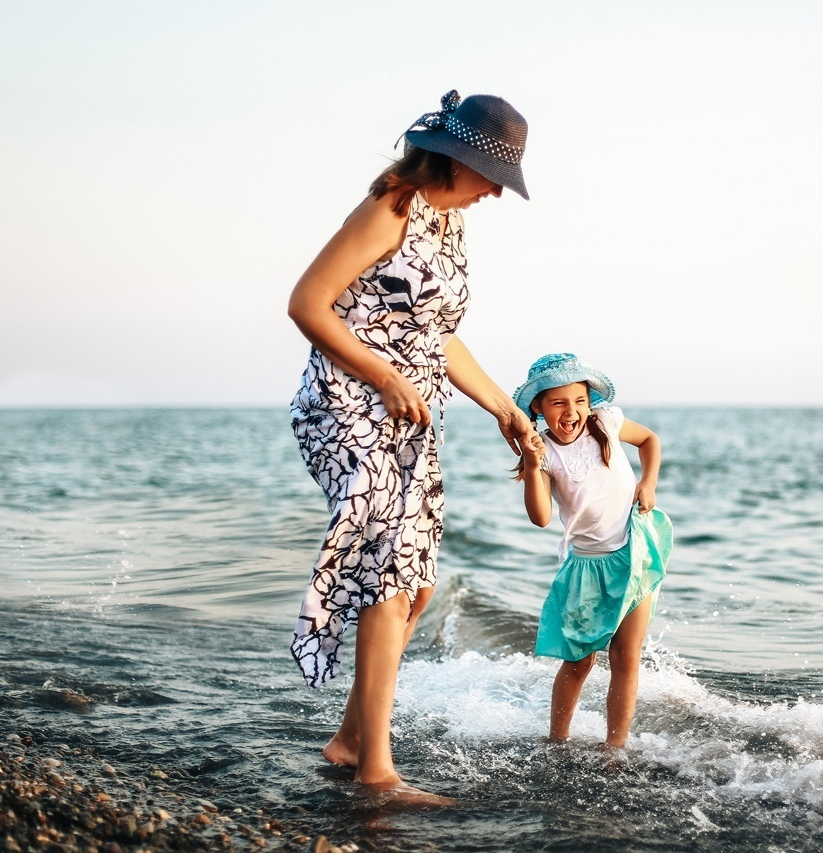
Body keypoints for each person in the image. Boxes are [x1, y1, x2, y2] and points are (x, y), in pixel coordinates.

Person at [286, 90, 541, 802]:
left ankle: (348, 739)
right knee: (388, 578)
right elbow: (307, 302)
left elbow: (436, 335)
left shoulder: (449, 223)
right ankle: (378, 772)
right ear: (458, 159)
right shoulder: (388, 209)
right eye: (493, 175)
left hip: (408, 412)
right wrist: (384, 375)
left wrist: (503, 407)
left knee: (417, 584)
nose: (495, 191)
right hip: (344, 405)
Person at [512, 353, 673, 751]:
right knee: (580, 660)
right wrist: (533, 467)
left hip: (634, 550)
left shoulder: (606, 422)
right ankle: (556, 740)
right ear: (539, 407)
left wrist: (648, 483)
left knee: (626, 656)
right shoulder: (544, 452)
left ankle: (614, 747)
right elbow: (540, 516)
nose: (572, 412)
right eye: (559, 403)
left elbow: (650, 440)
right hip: (586, 565)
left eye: (580, 401)